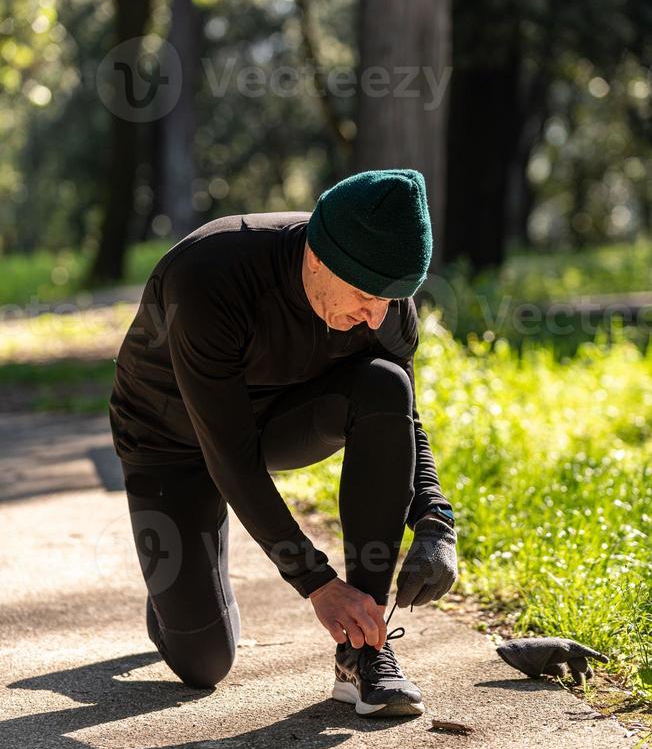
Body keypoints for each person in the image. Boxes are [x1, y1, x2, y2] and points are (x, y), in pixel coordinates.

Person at [108, 168, 458, 717]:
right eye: (365, 296)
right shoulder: (207, 275)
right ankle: (175, 593)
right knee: (203, 663)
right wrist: (316, 581)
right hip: (169, 437)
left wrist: (437, 521)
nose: (376, 315)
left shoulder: (386, 300)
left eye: (392, 300)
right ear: (317, 258)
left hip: (280, 418)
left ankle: (362, 652)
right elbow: (229, 456)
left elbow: (403, 418)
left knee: (386, 384)